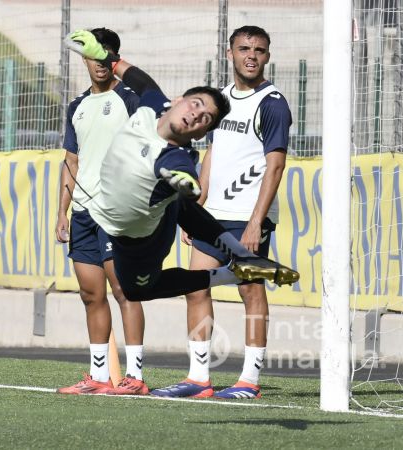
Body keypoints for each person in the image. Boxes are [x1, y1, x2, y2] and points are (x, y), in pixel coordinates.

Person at [61, 29, 299, 396]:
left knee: (154, 288)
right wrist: (105, 56)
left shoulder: (182, 152)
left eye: (204, 118)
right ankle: (200, 374)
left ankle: (248, 380)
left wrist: (186, 182)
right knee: (191, 273)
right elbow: (140, 79)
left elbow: (184, 166)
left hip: (152, 233)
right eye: (195, 106)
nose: (196, 115)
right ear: (178, 100)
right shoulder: (157, 104)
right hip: (186, 211)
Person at [152, 26, 292, 400]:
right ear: (229, 53)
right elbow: (214, 152)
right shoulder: (222, 101)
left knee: (251, 290)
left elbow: (275, 166)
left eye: (259, 50)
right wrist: (197, 205)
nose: (252, 55)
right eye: (244, 48)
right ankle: (199, 378)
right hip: (211, 214)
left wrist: (256, 222)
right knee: (195, 287)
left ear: (267, 56)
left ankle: (249, 380)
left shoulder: (273, 102)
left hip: (248, 216)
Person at [55, 27, 149, 396]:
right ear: (84, 59)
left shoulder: (131, 97)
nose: (101, 63)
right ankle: (98, 377)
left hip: (119, 212)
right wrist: (62, 212)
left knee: (124, 291)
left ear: (116, 60)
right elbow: (71, 160)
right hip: (82, 214)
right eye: (94, 55)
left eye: (108, 56)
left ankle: (136, 377)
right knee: (91, 295)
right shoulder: (77, 106)